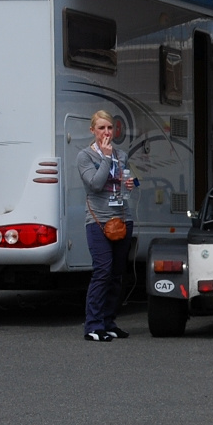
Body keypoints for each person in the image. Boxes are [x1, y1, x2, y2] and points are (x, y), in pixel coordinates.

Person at [76, 110, 135, 342]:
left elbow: (129, 181)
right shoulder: (84, 156)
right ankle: (93, 324)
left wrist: (131, 183)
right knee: (103, 271)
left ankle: (109, 321)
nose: (106, 132)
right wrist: (106, 158)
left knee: (117, 274)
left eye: (109, 128)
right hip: (98, 221)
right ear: (93, 131)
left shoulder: (122, 155)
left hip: (122, 218)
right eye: (101, 128)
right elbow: (96, 184)